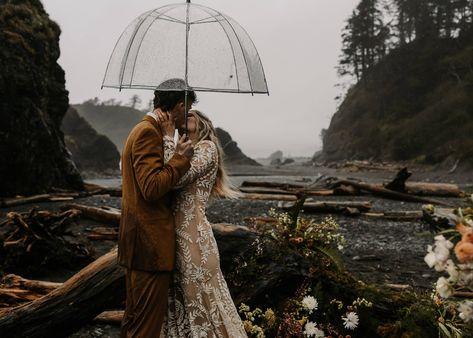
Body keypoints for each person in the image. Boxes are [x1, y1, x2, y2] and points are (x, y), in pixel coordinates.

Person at [157, 109, 248, 337]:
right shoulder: (187, 148)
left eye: (191, 116)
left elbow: (177, 179)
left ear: (202, 123)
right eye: (184, 116)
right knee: (179, 298)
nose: (185, 117)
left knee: (200, 297)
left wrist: (168, 138)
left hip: (194, 237)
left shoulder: (207, 148)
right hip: (175, 233)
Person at [118, 80, 196, 338]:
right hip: (149, 245)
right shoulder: (147, 132)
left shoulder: (144, 128)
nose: (189, 114)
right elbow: (151, 188)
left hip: (140, 244)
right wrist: (180, 159)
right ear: (180, 105)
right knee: (145, 329)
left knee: (135, 322)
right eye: (188, 108)